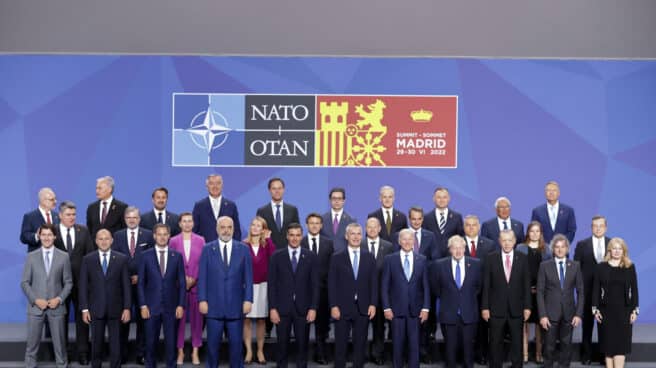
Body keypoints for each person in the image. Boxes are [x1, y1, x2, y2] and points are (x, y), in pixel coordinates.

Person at [198, 216, 253, 368]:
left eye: (229, 227)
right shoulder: (207, 249)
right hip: (213, 307)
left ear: (234, 229)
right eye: (222, 227)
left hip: (236, 307)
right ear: (217, 229)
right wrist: (202, 299)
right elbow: (202, 277)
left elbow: (248, 277)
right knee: (212, 348)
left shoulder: (243, 249)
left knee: (236, 348)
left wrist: (248, 299)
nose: (226, 230)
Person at [20, 223, 73, 368]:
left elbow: (68, 282)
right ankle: (30, 366)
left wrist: (59, 299)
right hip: (36, 308)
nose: (47, 238)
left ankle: (62, 365)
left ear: (55, 236)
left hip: (56, 308)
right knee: (31, 346)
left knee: (60, 346)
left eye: (50, 235)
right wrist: (36, 300)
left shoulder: (64, 257)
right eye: (43, 235)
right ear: (39, 236)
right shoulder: (31, 257)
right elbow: (24, 282)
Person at [268, 223, 319, 368]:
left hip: (303, 309)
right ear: (287, 236)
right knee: (281, 345)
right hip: (281, 309)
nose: (295, 238)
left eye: (298, 235)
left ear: (301, 236)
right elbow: (272, 285)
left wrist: (313, 308)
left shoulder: (310, 256)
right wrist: (272, 308)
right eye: (292, 235)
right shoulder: (277, 256)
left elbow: (315, 285)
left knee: (302, 345)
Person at [78, 229, 131, 368]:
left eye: (106, 238)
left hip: (117, 309)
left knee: (116, 345)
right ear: (96, 241)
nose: (103, 241)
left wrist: (127, 307)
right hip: (96, 309)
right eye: (100, 239)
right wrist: (84, 309)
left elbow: (126, 286)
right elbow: (83, 286)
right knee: (96, 344)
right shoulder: (88, 259)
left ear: (112, 240)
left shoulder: (121, 259)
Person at [393, 206, 439, 363]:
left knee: (423, 324)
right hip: (402, 291)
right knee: (401, 330)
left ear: (423, 219)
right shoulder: (399, 236)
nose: (417, 221)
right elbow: (395, 260)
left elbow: (434, 259)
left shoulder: (430, 236)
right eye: (414, 219)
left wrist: (421, 271)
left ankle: (422, 352)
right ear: (409, 219)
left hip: (423, 285)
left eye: (419, 219)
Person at [328, 222, 377, 368]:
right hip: (342, 308)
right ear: (346, 236)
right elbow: (332, 284)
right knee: (341, 345)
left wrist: (373, 304)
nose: (356, 237)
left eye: (358, 234)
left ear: (362, 236)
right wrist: (334, 306)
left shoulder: (369, 257)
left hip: (363, 307)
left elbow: (373, 283)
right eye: (352, 234)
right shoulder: (337, 257)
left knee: (360, 344)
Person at [137, 224, 186, 368]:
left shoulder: (176, 256)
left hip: (172, 307)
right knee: (150, 344)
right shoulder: (145, 256)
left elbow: (182, 283)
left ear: (169, 236)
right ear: (154, 236)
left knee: (171, 345)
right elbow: (140, 283)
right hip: (151, 308)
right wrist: (143, 305)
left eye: (165, 234)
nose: (162, 237)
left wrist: (181, 305)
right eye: (159, 234)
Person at [481, 229, 531, 368]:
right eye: (504, 240)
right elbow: (486, 285)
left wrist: (527, 307)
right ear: (499, 241)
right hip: (496, 309)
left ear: (515, 241)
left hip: (517, 308)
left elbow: (526, 285)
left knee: (517, 343)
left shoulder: (522, 258)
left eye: (510, 240)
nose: (507, 243)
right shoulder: (491, 258)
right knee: (495, 343)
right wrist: (485, 307)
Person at [430, 235, 482, 368]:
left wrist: (464, 299)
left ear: (465, 249)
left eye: (461, 248)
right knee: (450, 351)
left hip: (469, 313)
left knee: (468, 351)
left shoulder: (476, 264)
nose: (458, 251)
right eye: (454, 248)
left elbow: (478, 287)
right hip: (449, 313)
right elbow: (436, 288)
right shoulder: (439, 265)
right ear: (450, 250)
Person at [53, 201, 94, 365]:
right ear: (60, 215)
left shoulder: (83, 231)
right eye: (68, 214)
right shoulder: (52, 231)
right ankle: (63, 353)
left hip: (80, 283)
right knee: (60, 320)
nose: (72, 217)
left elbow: (90, 255)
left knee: (82, 319)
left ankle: (83, 353)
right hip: (58, 284)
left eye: (74, 214)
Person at [382, 229, 430, 368]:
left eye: (410, 239)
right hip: (396, 310)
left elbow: (425, 286)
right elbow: (385, 286)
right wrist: (386, 307)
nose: (407, 242)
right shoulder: (390, 259)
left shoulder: (422, 259)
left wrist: (426, 308)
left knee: (414, 345)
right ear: (399, 241)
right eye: (404, 239)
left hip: (416, 310)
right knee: (397, 345)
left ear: (414, 241)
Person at [112, 206, 154, 364]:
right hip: (123, 286)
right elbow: (114, 260)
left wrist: (140, 276)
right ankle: (122, 354)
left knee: (144, 322)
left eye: (134, 217)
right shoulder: (117, 235)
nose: (131, 220)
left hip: (144, 285)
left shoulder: (148, 235)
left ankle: (141, 354)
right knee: (123, 320)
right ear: (125, 219)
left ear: (139, 219)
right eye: (129, 217)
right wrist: (126, 277)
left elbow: (152, 259)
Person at [536, 234, 584, 368]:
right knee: (549, 347)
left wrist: (578, 314)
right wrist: (543, 315)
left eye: (563, 247)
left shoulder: (575, 266)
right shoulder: (544, 266)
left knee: (566, 346)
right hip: (550, 314)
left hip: (569, 313)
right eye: (557, 247)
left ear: (567, 249)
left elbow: (580, 292)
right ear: (553, 249)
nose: (560, 249)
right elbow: (539, 292)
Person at [592, 238, 639, 368]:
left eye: (620, 249)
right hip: (605, 312)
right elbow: (595, 289)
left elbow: (634, 290)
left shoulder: (630, 267)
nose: (617, 251)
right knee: (608, 346)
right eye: (614, 248)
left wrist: (635, 310)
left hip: (624, 311)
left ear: (624, 251)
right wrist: (595, 310)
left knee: (620, 346)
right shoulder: (601, 267)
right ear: (609, 250)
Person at [574, 215, 611, 365]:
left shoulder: (612, 244)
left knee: (606, 326)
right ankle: (586, 355)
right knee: (587, 325)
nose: (598, 228)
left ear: (605, 227)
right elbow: (576, 269)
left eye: (601, 225)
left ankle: (605, 355)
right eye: (595, 226)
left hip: (608, 293)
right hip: (587, 291)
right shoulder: (582, 244)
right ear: (591, 228)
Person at [169, 212, 205, 365]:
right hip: (179, 287)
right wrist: (182, 280)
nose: (187, 224)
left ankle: (196, 351)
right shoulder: (173, 241)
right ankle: (180, 352)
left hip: (196, 286)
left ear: (193, 223)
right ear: (179, 224)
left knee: (198, 321)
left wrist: (194, 280)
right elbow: (171, 264)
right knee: (180, 321)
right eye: (184, 221)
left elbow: (204, 263)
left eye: (190, 221)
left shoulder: (201, 240)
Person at [515, 221, 551, 363]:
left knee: (539, 324)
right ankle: (524, 354)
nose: (534, 234)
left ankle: (538, 354)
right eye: (532, 231)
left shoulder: (546, 250)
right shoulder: (520, 248)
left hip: (541, 292)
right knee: (523, 323)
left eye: (537, 231)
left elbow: (549, 272)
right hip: (523, 291)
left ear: (541, 233)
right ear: (528, 233)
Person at [300, 213, 334, 364]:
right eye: (311, 223)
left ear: (321, 226)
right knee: (303, 325)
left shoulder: (328, 243)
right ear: (307, 225)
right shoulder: (300, 242)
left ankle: (321, 353)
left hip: (324, 291)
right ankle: (302, 355)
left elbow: (332, 267)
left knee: (322, 326)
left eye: (317, 223)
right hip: (304, 291)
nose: (314, 226)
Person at [461, 215, 494, 366]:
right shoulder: (457, 243)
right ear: (464, 227)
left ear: (479, 227)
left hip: (483, 292)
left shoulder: (489, 244)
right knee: (464, 326)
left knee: (482, 327)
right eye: (468, 225)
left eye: (474, 225)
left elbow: (492, 269)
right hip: (462, 293)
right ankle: (464, 355)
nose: (471, 228)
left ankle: (481, 354)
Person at [242, 216, 276, 364]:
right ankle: (249, 351)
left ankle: (260, 350)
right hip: (247, 286)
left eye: (259, 226)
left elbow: (274, 259)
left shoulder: (267, 244)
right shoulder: (243, 244)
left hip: (263, 286)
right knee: (247, 319)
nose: (255, 227)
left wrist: (268, 239)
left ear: (263, 229)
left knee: (262, 319)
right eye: (253, 225)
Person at [362, 217, 394, 365]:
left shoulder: (388, 246)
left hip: (381, 294)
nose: (372, 230)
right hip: (362, 293)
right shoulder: (359, 244)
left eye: (375, 227)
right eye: (369, 227)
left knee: (379, 327)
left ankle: (377, 353)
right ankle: (360, 354)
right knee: (360, 326)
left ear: (380, 228)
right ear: (365, 229)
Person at [192, 174, 242, 242]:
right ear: (207, 186)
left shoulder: (231, 206)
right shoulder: (199, 206)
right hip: (205, 249)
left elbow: (236, 231)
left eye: (218, 183)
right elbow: (194, 231)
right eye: (211, 183)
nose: (215, 186)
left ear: (222, 185)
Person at [255, 177, 300, 249]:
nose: (277, 191)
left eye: (279, 188)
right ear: (269, 190)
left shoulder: (292, 210)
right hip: (268, 252)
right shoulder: (262, 211)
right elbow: (259, 234)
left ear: (283, 190)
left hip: (288, 251)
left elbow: (297, 231)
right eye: (274, 188)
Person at [422, 187, 464, 258]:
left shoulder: (457, 217)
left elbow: (461, 237)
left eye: (444, 197)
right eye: (439, 197)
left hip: (451, 258)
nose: (442, 200)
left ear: (449, 199)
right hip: (432, 259)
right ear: (434, 199)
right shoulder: (426, 218)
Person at [20, 187, 59, 252]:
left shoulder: (57, 216)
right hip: (37, 257)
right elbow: (23, 237)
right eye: (52, 199)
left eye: (55, 199)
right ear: (43, 201)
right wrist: (36, 236)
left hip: (55, 257)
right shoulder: (30, 216)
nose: (55, 202)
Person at [320, 187, 357, 253]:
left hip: (344, 259)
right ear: (330, 200)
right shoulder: (321, 219)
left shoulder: (351, 221)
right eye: (334, 198)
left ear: (344, 201)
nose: (336, 201)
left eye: (339, 198)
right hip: (325, 258)